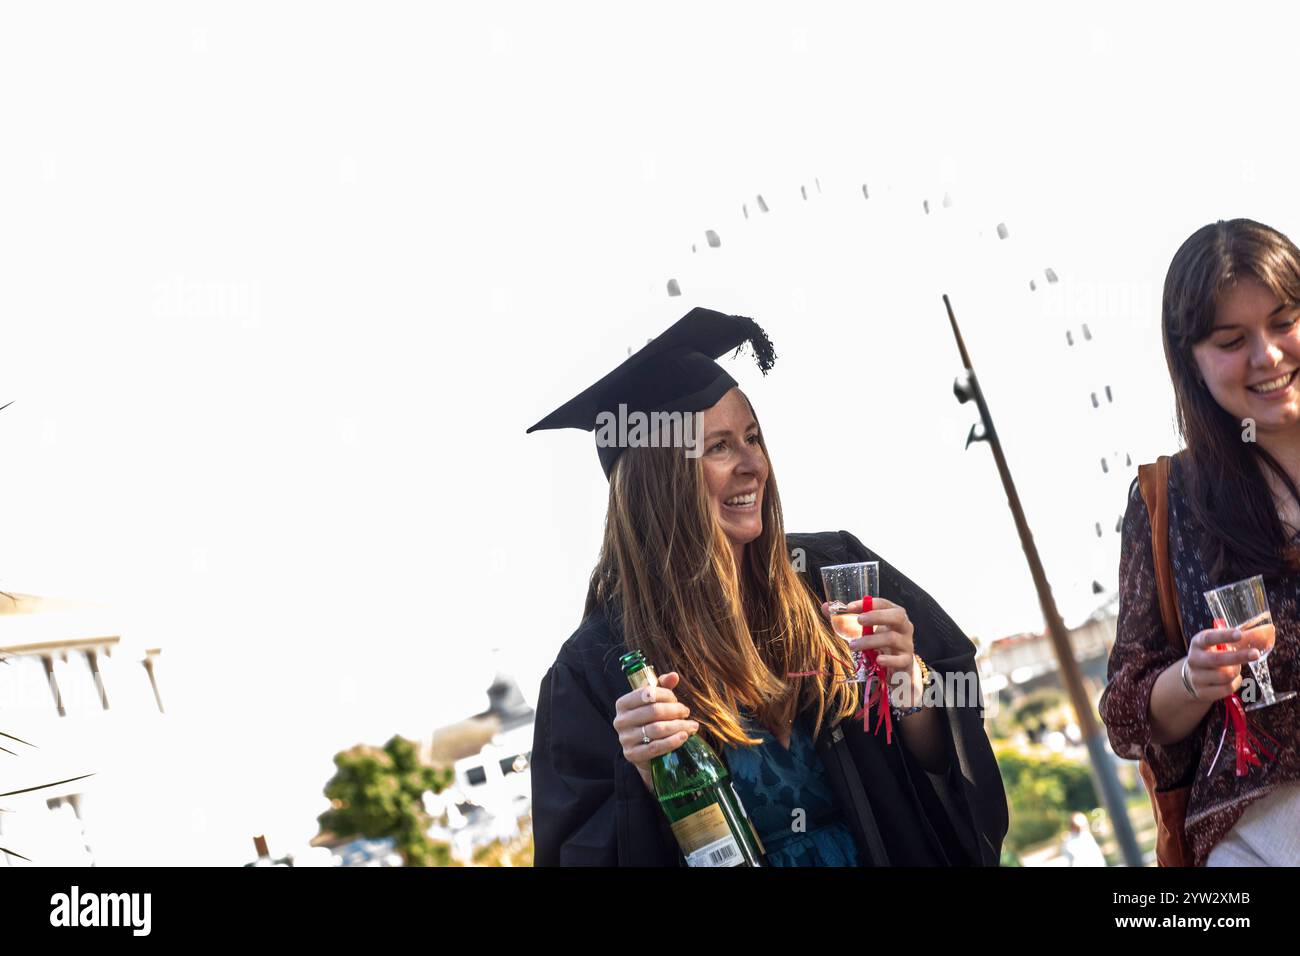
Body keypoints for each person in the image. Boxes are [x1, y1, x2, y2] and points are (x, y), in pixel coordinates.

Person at [526, 307, 1007, 866]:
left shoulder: (832, 574)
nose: (754, 464)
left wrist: (912, 690)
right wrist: (645, 779)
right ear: (658, 481)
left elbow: (951, 776)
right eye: (718, 447)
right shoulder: (593, 674)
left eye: (752, 437)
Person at [1100, 218, 1300, 866]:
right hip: (1260, 842)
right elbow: (1127, 716)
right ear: (1191, 358)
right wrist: (1195, 676)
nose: (1267, 356)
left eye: (1285, 320)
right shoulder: (1171, 501)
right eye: (1231, 340)